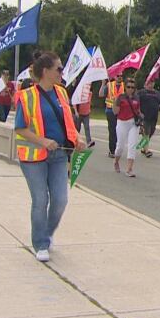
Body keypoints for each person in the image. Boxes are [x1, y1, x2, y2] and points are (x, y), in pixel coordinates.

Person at [15, 51, 85, 262]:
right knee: (40, 200)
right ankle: (40, 244)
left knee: (60, 200)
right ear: (45, 71)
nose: (62, 72)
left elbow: (68, 122)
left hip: (59, 155)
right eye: (59, 69)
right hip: (33, 156)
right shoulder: (27, 96)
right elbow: (20, 128)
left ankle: (47, 232)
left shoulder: (62, 93)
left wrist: (77, 139)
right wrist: (43, 141)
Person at [112, 78, 142, 177]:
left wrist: (141, 120)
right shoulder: (121, 97)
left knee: (132, 145)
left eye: (132, 87)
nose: (130, 89)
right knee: (120, 146)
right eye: (128, 87)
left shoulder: (136, 98)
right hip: (122, 122)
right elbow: (115, 112)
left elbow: (138, 111)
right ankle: (116, 161)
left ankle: (129, 169)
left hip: (133, 123)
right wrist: (114, 102)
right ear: (125, 87)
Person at [137, 79, 160, 158]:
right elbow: (136, 103)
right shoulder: (141, 92)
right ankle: (147, 151)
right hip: (144, 117)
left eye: (152, 82)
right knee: (146, 133)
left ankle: (142, 146)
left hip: (154, 117)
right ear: (145, 83)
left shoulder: (157, 93)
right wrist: (139, 113)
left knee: (151, 132)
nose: (151, 84)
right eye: (149, 82)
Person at [100, 75, 123, 158]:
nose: (120, 77)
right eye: (118, 76)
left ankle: (117, 148)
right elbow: (101, 94)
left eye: (121, 75)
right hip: (110, 111)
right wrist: (103, 84)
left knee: (120, 132)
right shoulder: (109, 85)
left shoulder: (125, 86)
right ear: (115, 76)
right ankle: (112, 150)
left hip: (121, 111)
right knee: (112, 131)